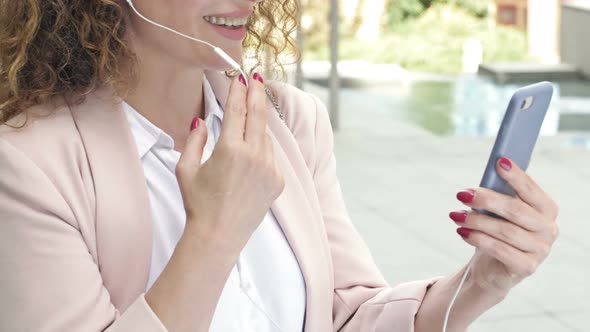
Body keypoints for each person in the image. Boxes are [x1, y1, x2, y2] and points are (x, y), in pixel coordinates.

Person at [0, 0, 559, 331]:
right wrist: (215, 233)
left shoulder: (291, 121)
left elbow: (346, 316)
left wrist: (481, 281)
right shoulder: (27, 168)